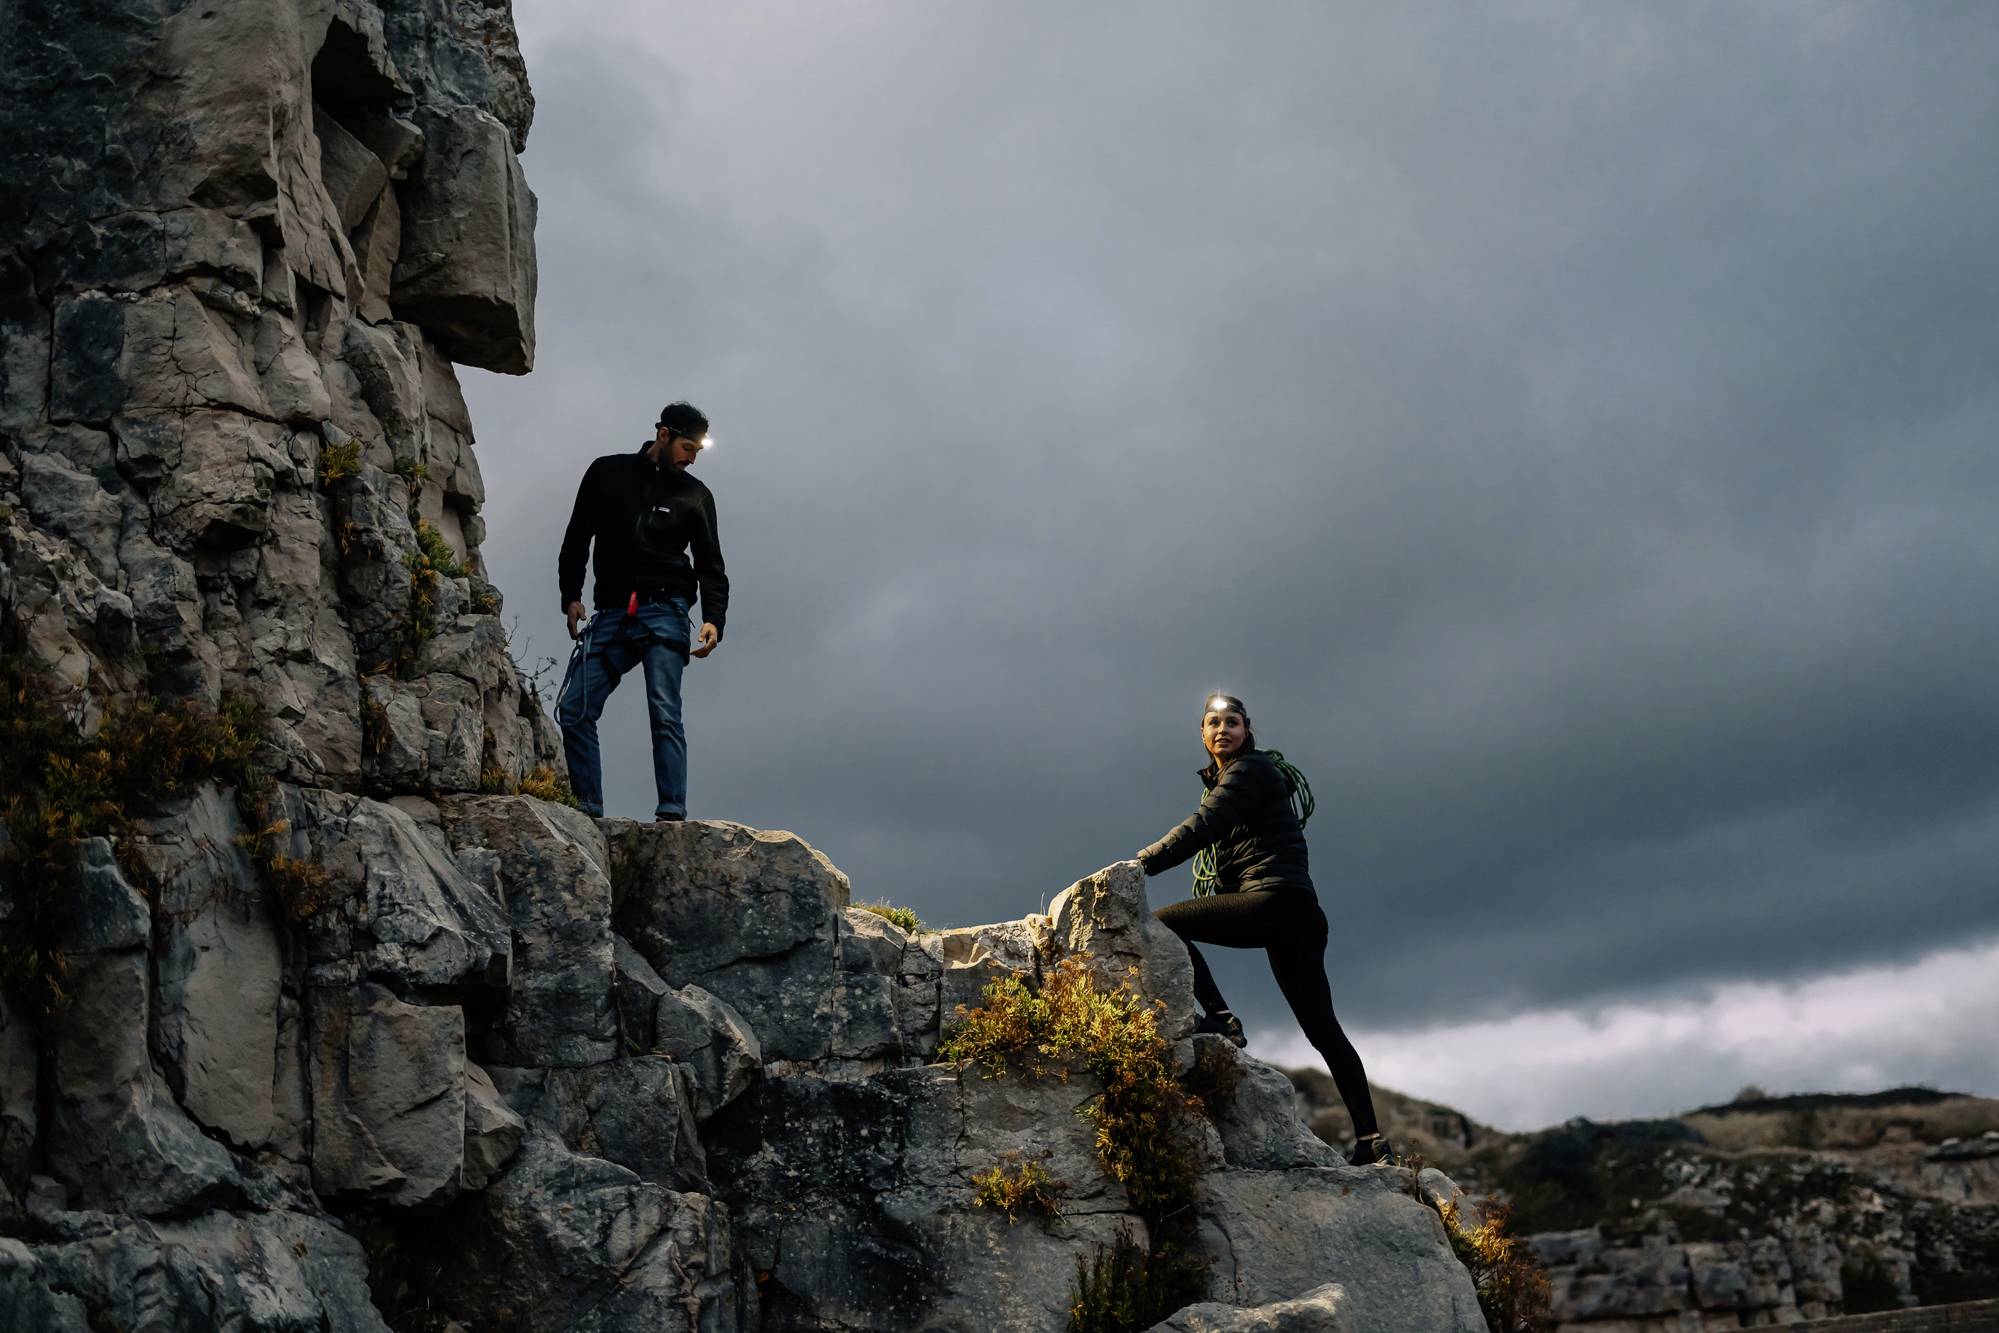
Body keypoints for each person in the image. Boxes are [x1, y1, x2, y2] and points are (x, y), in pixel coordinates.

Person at [1132, 694, 1392, 1166]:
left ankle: (1223, 1020)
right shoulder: (1233, 780)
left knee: (1162, 924)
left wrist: (1141, 864)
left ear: (1247, 731)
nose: (1223, 729)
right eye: (1213, 723)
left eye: (1232, 722)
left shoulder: (1249, 771)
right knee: (1323, 1031)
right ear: (1203, 735)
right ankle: (1372, 1142)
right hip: (1298, 914)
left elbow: (1204, 825)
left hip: (1273, 900)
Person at [555, 402, 729, 821]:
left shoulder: (696, 495)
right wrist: (571, 595)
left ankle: (671, 813)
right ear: (663, 435)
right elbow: (577, 536)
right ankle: (588, 811)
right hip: (612, 611)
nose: (692, 457)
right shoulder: (607, 472)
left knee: (664, 710)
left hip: (666, 609)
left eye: (699, 451)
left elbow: (711, 566)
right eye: (688, 446)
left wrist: (713, 619)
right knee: (574, 708)